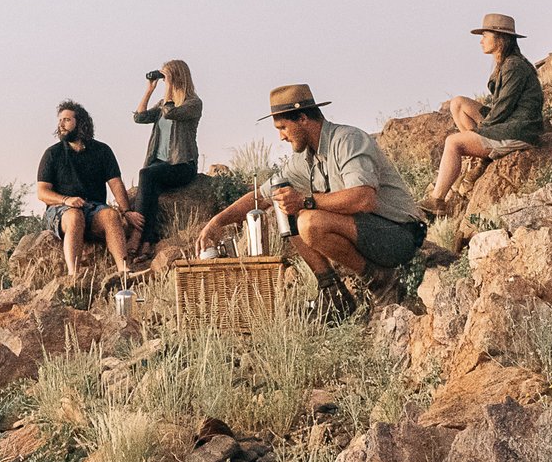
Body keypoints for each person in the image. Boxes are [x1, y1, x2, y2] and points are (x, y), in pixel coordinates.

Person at [194, 84, 426, 318]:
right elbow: (262, 196)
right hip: (365, 234)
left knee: (309, 221)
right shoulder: (304, 158)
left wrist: (306, 201)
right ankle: (333, 293)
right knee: (284, 204)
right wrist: (217, 222)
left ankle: (382, 283)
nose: (281, 136)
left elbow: (364, 199)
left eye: (283, 127)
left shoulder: (347, 140)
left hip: (399, 235)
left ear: (303, 119)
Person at [429, 13, 547, 210]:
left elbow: (503, 108)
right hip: (509, 122)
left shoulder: (514, 66)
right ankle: (481, 154)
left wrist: (478, 131)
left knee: (453, 142)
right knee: (457, 103)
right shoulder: (505, 64)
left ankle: (436, 200)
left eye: (485, 35)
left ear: (500, 39)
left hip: (518, 130)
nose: (481, 41)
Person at [35, 99, 133, 278]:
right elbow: (42, 192)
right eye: (60, 121)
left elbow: (116, 183)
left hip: (93, 208)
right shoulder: (52, 154)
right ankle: (75, 276)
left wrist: (126, 211)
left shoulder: (102, 151)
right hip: (60, 210)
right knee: (74, 216)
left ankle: (124, 271)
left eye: (66, 120)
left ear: (80, 123)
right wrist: (66, 200)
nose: (61, 125)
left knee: (111, 215)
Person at [128, 59, 203, 251]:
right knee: (150, 189)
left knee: (146, 174)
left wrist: (169, 88)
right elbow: (139, 117)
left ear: (177, 76)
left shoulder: (193, 103)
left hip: (182, 165)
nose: (164, 82)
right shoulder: (162, 103)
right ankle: (147, 242)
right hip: (159, 164)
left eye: (166, 77)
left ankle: (137, 235)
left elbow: (170, 113)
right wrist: (149, 89)